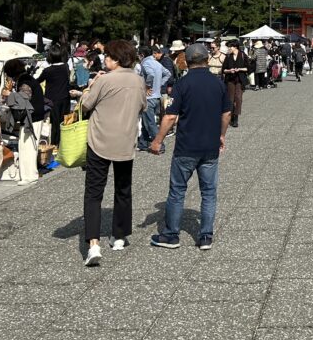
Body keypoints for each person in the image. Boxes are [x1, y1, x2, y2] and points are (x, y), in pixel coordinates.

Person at [149, 43, 232, 250]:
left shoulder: (182, 84)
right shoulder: (218, 83)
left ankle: (171, 235)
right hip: (210, 145)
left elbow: (170, 116)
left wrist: (158, 140)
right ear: (206, 59)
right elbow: (227, 113)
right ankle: (205, 236)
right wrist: (221, 135)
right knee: (209, 192)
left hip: (186, 145)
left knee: (177, 191)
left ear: (187, 60)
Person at [80, 39, 147, 266]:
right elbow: (142, 106)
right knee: (123, 189)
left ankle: (94, 244)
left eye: (108, 56)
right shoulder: (138, 81)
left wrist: (91, 86)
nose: (105, 59)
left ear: (116, 59)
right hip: (125, 141)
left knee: (94, 192)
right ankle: (119, 235)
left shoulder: (105, 79)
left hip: (100, 139)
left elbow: (86, 104)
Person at [36, 44, 72, 148]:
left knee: (54, 122)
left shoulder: (48, 70)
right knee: (64, 121)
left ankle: (54, 144)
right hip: (65, 98)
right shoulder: (65, 67)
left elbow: (38, 81)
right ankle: (63, 142)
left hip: (52, 99)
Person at [137, 44, 170, 152]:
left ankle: (160, 145)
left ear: (141, 55)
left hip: (149, 97)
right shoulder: (156, 63)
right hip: (156, 96)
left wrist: (147, 86)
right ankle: (143, 143)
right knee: (146, 121)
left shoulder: (145, 63)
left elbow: (150, 75)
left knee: (150, 123)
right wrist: (159, 84)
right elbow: (168, 74)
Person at [222, 39, 248, 126]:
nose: (229, 48)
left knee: (238, 99)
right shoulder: (228, 56)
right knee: (230, 99)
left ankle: (236, 117)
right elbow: (223, 70)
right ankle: (231, 116)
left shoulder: (243, 55)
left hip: (240, 80)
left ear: (235, 47)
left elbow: (248, 68)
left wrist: (240, 69)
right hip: (230, 80)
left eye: (230, 47)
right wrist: (229, 71)